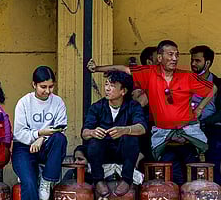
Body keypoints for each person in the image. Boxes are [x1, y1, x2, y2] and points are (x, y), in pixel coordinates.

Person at [87, 40, 217, 185]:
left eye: (177, 55)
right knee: (172, 178)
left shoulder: (186, 76)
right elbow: (124, 69)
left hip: (188, 136)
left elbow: (213, 89)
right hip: (164, 138)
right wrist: (97, 68)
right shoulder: (149, 74)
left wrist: (199, 109)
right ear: (159, 58)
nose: (174, 58)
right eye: (170, 54)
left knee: (193, 178)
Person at [12, 66, 68, 200]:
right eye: (43, 87)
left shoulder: (57, 102)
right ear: (34, 84)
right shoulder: (24, 103)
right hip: (23, 149)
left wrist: (41, 138)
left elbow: (60, 127)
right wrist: (36, 135)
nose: (47, 91)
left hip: (46, 144)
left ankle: (47, 179)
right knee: (28, 184)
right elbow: (19, 133)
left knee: (60, 139)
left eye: (51, 87)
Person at [82, 71, 147, 196]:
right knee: (93, 142)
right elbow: (84, 133)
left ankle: (127, 180)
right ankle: (98, 180)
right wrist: (93, 132)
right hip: (103, 153)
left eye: (112, 86)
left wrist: (125, 130)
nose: (107, 88)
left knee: (131, 138)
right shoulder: (97, 107)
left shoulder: (133, 106)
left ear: (123, 91)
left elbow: (142, 128)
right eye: (106, 84)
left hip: (125, 153)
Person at [190, 45, 221, 184]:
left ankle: (214, 190)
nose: (193, 64)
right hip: (188, 126)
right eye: (192, 60)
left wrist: (204, 122)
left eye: (197, 61)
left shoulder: (218, 84)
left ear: (207, 63)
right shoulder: (186, 80)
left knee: (213, 154)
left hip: (210, 126)